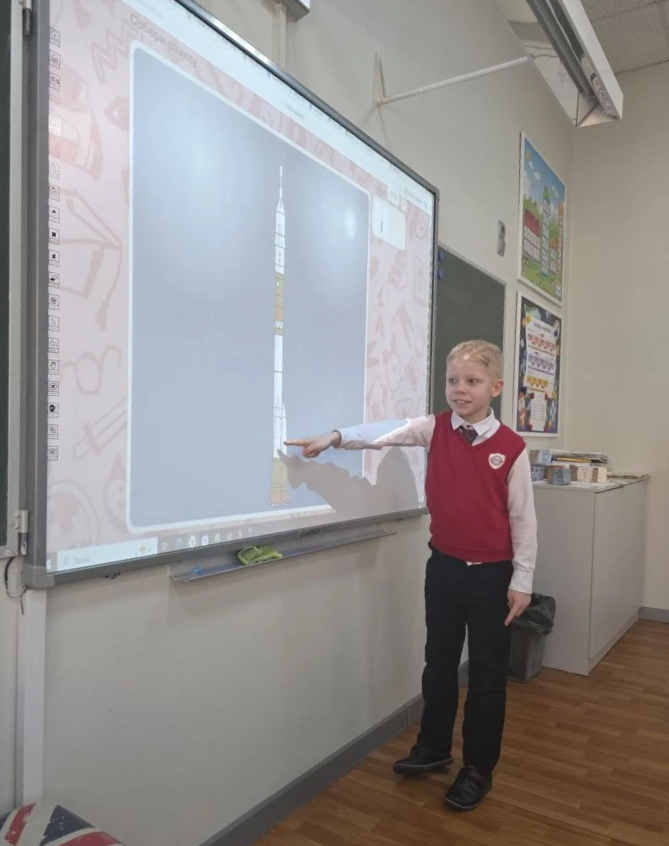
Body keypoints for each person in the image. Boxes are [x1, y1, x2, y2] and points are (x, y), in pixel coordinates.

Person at [285, 340, 537, 811]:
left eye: (472, 381)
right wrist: (335, 437)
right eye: (453, 380)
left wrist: (522, 580)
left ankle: (477, 770)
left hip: (491, 578)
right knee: (438, 663)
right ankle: (434, 746)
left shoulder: (511, 448)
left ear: (496, 388)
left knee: (486, 677)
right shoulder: (435, 428)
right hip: (443, 569)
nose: (459, 389)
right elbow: (384, 433)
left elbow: (524, 519)